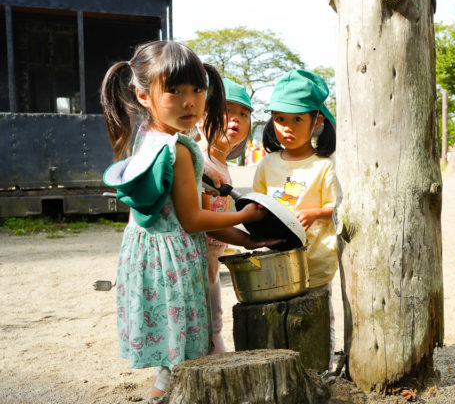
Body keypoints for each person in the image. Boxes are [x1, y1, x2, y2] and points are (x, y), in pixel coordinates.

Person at [101, 41, 268, 399]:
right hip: (173, 261)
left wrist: (245, 240)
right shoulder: (177, 149)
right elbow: (191, 219)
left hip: (146, 256)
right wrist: (244, 216)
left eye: (197, 90)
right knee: (183, 354)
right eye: (174, 91)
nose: (189, 101)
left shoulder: (146, 138)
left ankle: (161, 392)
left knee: (171, 350)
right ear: (143, 95)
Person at [251, 69, 338, 362]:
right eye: (280, 119)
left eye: (297, 119)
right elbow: (256, 206)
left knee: (316, 317)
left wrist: (316, 213)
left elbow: (338, 206)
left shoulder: (324, 166)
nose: (287, 128)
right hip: (277, 261)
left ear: (317, 121)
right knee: (279, 318)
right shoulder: (266, 164)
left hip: (315, 260)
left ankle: (321, 366)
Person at [197, 78, 256, 354]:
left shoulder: (221, 163)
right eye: (226, 111)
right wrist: (246, 224)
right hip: (193, 263)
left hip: (211, 262)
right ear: (201, 118)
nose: (236, 119)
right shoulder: (200, 161)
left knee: (214, 321)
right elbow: (201, 219)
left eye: (244, 113)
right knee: (203, 324)